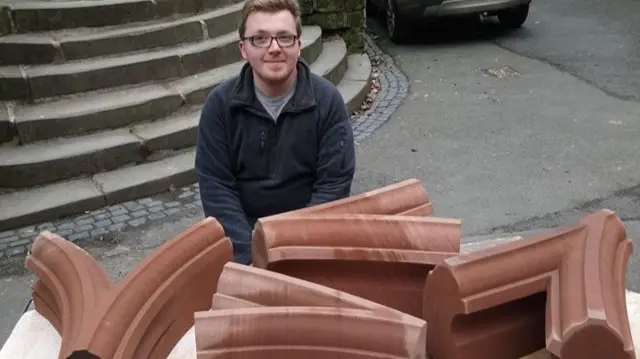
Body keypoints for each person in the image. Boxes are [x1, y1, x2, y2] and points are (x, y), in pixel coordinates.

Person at [194, 0, 356, 264]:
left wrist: (294, 250)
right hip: (242, 243)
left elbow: (333, 186)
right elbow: (217, 189)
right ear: (243, 49)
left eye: (285, 37)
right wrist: (251, 257)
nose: (274, 49)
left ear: (299, 44)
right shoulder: (220, 106)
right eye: (260, 39)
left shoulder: (328, 102)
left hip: (309, 242)